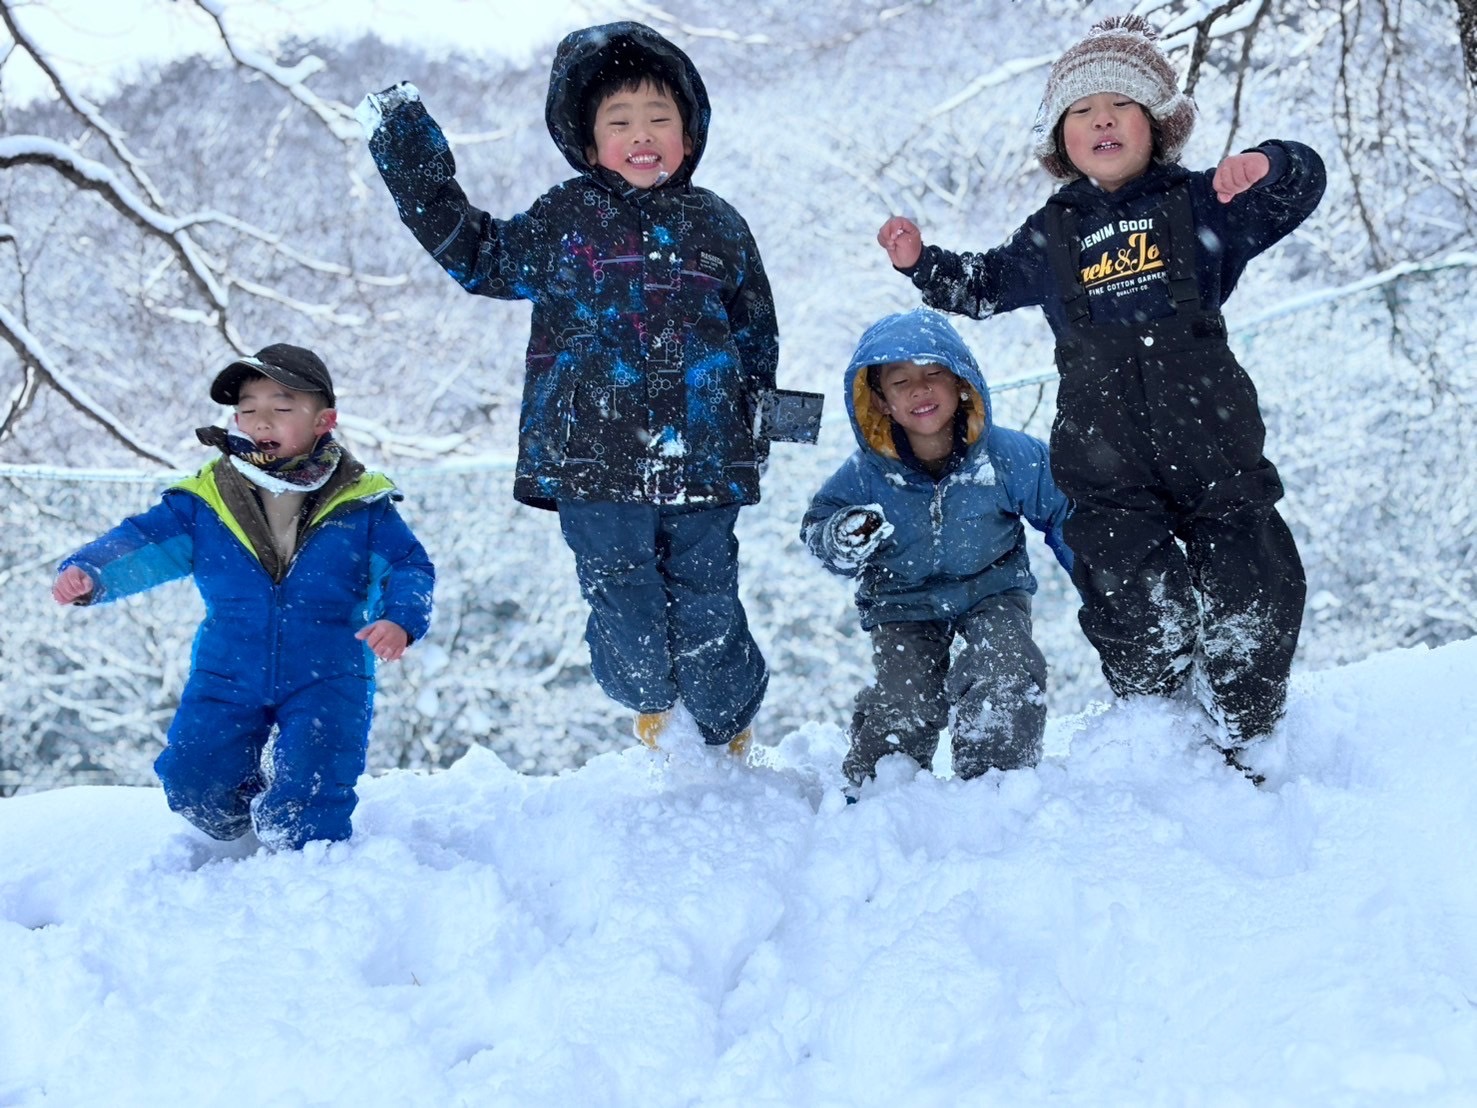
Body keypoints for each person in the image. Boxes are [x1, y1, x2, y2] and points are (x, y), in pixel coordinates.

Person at [876, 15, 1325, 768]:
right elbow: (983, 284)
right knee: (1126, 589)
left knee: (1255, 579)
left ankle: (1245, 722)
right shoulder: (1052, 234)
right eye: (1082, 111)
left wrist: (1272, 164)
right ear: (1061, 141)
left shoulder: (1199, 203)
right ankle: (1159, 723)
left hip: (1210, 437)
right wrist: (922, 264)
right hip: (1105, 451)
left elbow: (1296, 190)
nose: (1102, 120)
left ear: (1156, 126)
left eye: (1121, 106)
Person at [358, 22, 783, 756]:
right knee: (627, 607)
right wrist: (407, 151)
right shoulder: (564, 219)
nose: (641, 134)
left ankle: (724, 721)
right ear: (588, 143)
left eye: (660, 119)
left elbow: (756, 335)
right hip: (595, 460)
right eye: (619, 122)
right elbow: (478, 256)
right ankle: (649, 702)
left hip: (706, 460)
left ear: (689, 135)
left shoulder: (718, 221)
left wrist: (758, 430)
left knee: (710, 603)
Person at [51, 345, 435, 850]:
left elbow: (409, 565)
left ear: (324, 420)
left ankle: (305, 873)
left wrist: (401, 619)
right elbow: (146, 540)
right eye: (248, 409)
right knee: (194, 780)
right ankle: (240, 835)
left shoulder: (362, 502)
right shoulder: (206, 499)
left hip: (331, 671)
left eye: (281, 406)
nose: (261, 421)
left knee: (312, 795)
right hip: (228, 668)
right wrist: (91, 571)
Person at [802, 309, 1073, 795]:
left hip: (992, 590)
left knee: (1005, 668)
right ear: (880, 401)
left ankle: (997, 785)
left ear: (961, 382)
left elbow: (1066, 515)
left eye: (933, 374)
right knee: (907, 700)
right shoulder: (865, 475)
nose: (919, 389)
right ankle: (880, 790)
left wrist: (1103, 584)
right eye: (900, 381)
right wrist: (842, 536)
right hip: (902, 604)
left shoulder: (1009, 456)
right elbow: (820, 531)